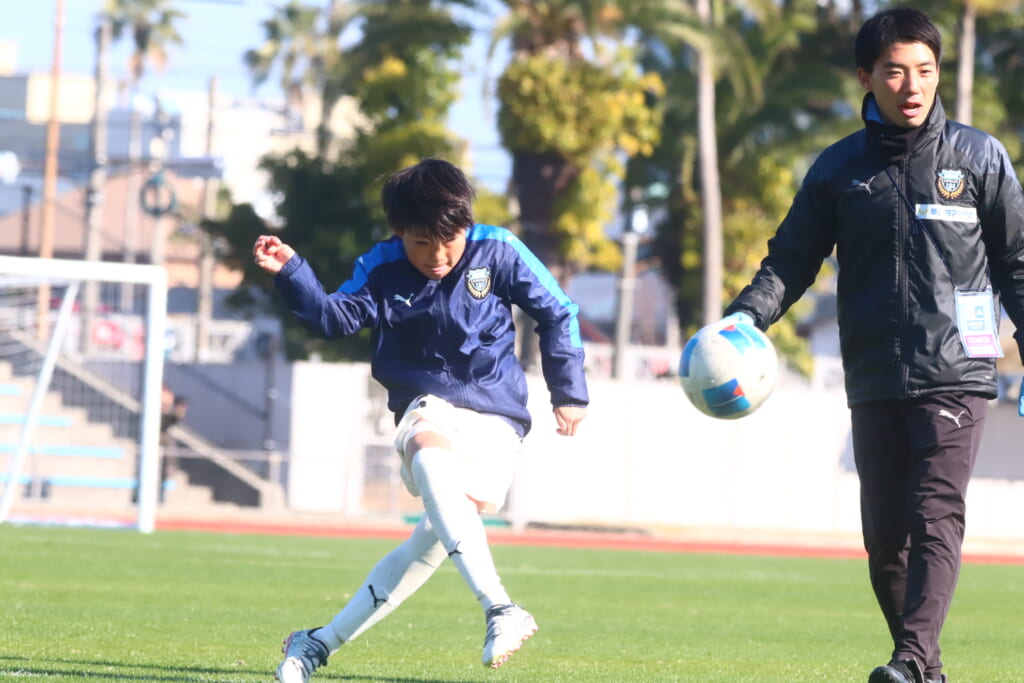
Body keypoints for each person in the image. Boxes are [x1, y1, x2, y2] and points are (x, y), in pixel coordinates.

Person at [719, 8, 1024, 683]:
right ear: (866, 77)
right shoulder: (838, 169)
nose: (912, 86)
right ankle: (925, 670)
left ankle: (909, 660)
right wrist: (744, 318)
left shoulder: (979, 158)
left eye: (925, 70)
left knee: (935, 513)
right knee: (886, 542)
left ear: (938, 73)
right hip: (875, 374)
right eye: (895, 71)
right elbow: (790, 260)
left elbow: (1018, 264)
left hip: (959, 370)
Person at [252, 158, 589, 683]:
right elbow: (334, 318)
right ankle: (500, 607)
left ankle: (315, 644)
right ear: (399, 233)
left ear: (466, 225)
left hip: (497, 416)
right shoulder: (382, 266)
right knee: (430, 457)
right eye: (421, 243)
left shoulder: (498, 250)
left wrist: (568, 390)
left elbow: (558, 311)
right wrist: (294, 272)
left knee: (428, 543)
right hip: (425, 403)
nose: (437, 256)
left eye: (448, 241)